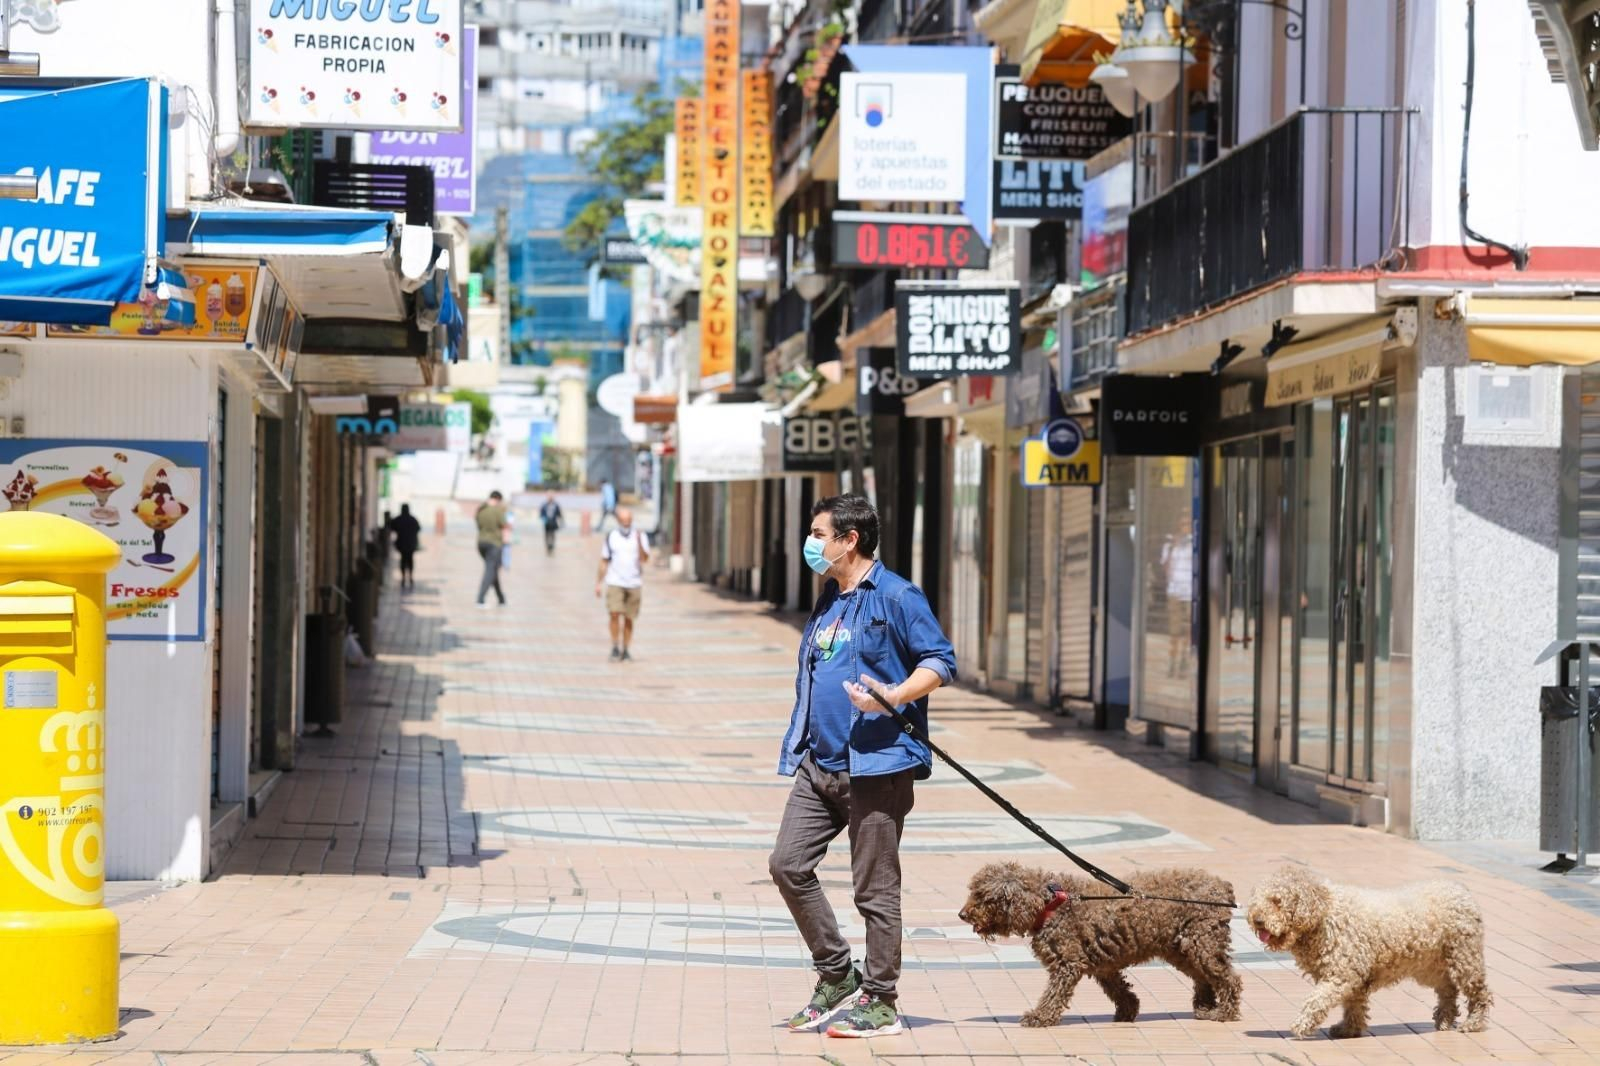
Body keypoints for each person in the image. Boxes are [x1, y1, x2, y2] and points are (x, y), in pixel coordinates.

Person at [769, 494, 956, 1038]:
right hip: (819, 763)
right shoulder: (830, 596)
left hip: (877, 765)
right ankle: (836, 975)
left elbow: (940, 661)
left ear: (850, 540)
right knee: (787, 864)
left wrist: (892, 696)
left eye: (819, 533)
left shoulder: (897, 596)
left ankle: (880, 999)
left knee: (874, 889)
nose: (812, 543)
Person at [595, 504, 648, 661]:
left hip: (634, 583)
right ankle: (614, 646)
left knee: (629, 618)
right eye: (623, 521)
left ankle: (626, 648)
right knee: (614, 613)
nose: (626, 524)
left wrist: (639, 543)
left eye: (628, 521)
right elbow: (604, 561)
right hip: (615, 581)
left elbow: (645, 559)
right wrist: (598, 583)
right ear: (618, 521)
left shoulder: (640, 536)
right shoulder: (612, 536)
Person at [475, 490, 509, 608]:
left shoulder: (481, 510)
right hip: (494, 543)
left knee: (492, 569)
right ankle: (480, 599)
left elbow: (478, 525)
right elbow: (505, 527)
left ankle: (501, 598)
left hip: (481, 543)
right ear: (498, 499)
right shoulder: (497, 511)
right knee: (490, 570)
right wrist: (506, 543)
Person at [389, 504, 422, 591]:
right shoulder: (412, 519)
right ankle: (410, 576)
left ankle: (404, 577)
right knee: (410, 560)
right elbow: (418, 528)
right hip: (411, 544)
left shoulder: (399, 519)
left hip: (402, 544)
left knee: (403, 560)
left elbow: (391, 526)